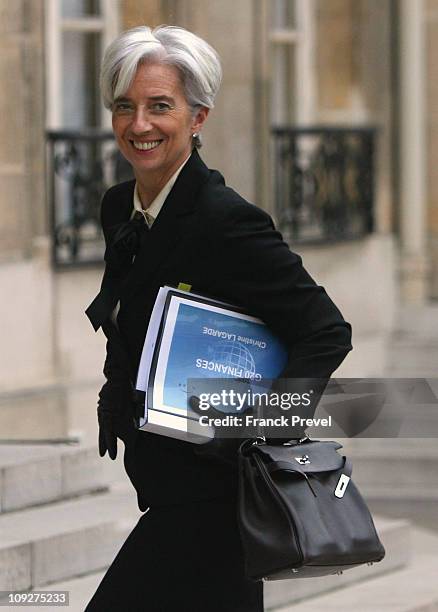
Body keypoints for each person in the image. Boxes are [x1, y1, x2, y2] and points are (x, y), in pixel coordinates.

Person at [85, 24, 352, 612]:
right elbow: (128, 309)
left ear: (198, 117)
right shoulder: (118, 206)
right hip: (161, 480)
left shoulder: (225, 220)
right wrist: (115, 392)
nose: (140, 125)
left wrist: (260, 436)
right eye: (124, 107)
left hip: (214, 490)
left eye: (161, 106)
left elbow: (326, 331)